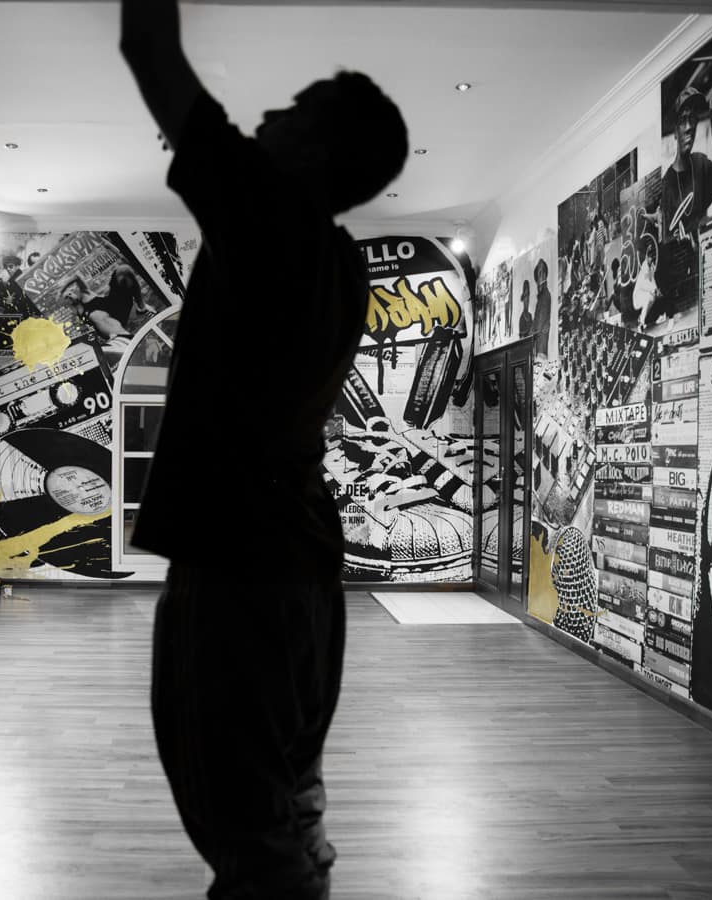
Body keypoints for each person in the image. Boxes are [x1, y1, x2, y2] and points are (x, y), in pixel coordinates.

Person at [119, 1, 408, 897]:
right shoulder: (338, 260)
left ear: (315, 151)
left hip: (243, 569)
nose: (268, 115)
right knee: (283, 802)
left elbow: (148, 48)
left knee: (251, 834)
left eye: (295, 107)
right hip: (294, 565)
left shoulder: (274, 219)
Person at [662, 85, 712, 242]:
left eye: (692, 119)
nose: (689, 128)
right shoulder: (666, 186)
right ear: (675, 131)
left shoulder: (699, 164)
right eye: (683, 121)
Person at [0, 254, 41, 319]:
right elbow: (4, 300)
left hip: (32, 311)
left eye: (11, 266)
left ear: (17, 266)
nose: (8, 269)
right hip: (25, 313)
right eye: (6, 267)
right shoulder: (3, 281)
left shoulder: (22, 276)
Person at [532, 258, 552, 357]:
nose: (540, 277)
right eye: (538, 274)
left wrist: (532, 333)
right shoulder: (542, 295)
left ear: (544, 274)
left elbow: (540, 322)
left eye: (541, 273)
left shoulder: (544, 295)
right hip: (540, 345)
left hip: (541, 347)